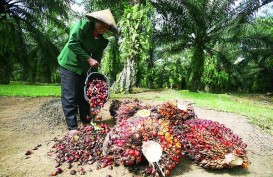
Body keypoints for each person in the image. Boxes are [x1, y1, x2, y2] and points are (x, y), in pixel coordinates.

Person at [57, 9, 118, 135]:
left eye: (107, 26)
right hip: (69, 64)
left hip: (84, 68)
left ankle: (85, 121)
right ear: (96, 21)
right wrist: (89, 59)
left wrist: (95, 79)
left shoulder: (102, 41)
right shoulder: (82, 26)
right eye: (102, 23)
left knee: (84, 95)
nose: (104, 27)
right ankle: (72, 127)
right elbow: (72, 43)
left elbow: (97, 58)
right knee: (70, 96)